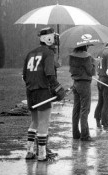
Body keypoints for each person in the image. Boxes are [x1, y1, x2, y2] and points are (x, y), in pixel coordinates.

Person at [22, 27, 66, 161]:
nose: (56, 42)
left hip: (30, 91)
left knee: (34, 122)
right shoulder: (48, 53)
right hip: (43, 91)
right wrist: (58, 88)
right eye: (54, 38)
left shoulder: (30, 53)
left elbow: (25, 75)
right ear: (49, 39)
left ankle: (30, 151)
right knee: (44, 122)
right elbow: (49, 74)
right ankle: (42, 154)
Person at [69, 45, 96, 141]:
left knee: (76, 109)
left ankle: (75, 133)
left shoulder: (72, 55)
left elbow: (71, 70)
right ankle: (85, 135)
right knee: (85, 109)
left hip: (75, 83)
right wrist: (94, 63)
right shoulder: (87, 56)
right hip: (84, 84)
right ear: (85, 46)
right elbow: (91, 72)